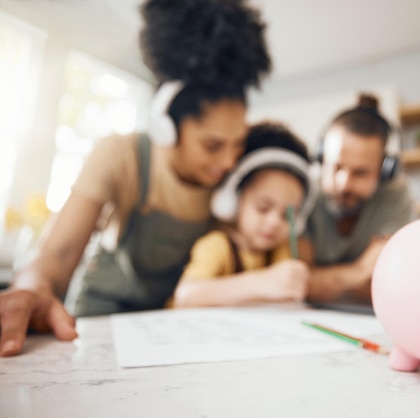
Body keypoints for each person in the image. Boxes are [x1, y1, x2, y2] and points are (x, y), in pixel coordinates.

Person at [0, 0, 271, 356]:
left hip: (171, 331)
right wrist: (33, 290)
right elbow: (58, 255)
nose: (228, 160)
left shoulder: (234, 177)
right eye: (212, 145)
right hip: (101, 324)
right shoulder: (120, 155)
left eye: (238, 144)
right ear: (166, 128)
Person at [170, 122, 315, 307]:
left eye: (288, 215)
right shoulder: (217, 246)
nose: (274, 222)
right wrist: (264, 281)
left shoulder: (281, 250)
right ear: (233, 200)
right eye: (263, 208)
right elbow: (186, 296)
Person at [301, 93, 414, 304]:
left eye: (360, 172)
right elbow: (300, 284)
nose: (344, 184)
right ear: (320, 157)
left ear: (384, 172)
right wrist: (359, 271)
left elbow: (388, 284)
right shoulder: (303, 191)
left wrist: (325, 280)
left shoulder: (395, 194)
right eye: (335, 167)